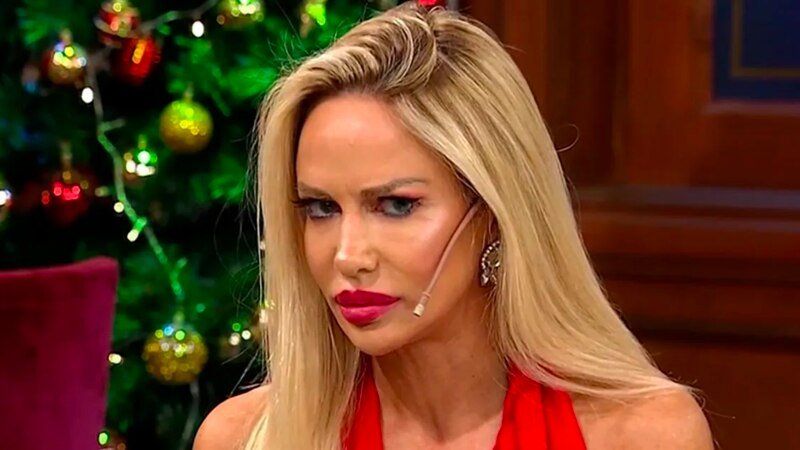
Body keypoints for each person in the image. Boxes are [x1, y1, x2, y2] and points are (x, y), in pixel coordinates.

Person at [194, 2, 714, 449]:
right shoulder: (243, 437)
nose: (349, 256)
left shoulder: (643, 434)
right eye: (321, 208)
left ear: (492, 215)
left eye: (396, 205)